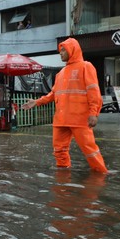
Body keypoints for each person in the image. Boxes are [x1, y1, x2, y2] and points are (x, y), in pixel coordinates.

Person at [21, 38, 108, 173]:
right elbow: (53, 94)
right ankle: (63, 175)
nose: (60, 53)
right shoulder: (61, 73)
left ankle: (101, 173)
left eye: (63, 50)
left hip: (79, 119)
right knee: (59, 150)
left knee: (89, 149)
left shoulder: (86, 66)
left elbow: (93, 91)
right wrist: (36, 102)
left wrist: (93, 113)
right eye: (60, 51)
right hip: (61, 120)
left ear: (72, 50)